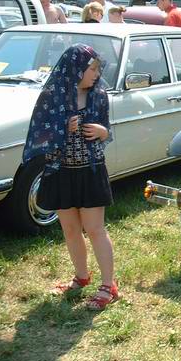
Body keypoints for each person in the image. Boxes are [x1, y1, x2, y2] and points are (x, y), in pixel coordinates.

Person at [23, 44, 118, 311]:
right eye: (92, 69)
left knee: (95, 228)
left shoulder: (99, 95)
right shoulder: (51, 96)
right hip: (60, 171)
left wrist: (101, 131)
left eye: (98, 69)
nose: (97, 75)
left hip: (90, 170)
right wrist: (62, 129)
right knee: (70, 229)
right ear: (75, 69)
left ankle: (108, 285)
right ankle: (81, 277)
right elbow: (37, 135)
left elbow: (107, 131)